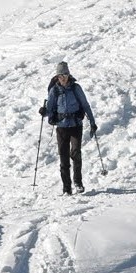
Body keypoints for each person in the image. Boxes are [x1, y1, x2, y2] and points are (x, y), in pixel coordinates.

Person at [40, 62, 94, 193]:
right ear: (57, 77)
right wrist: (44, 112)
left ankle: (78, 182)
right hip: (62, 127)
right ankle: (66, 188)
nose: (62, 78)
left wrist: (92, 122)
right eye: (60, 75)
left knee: (76, 154)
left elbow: (85, 105)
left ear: (68, 74)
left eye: (64, 74)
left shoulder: (76, 88)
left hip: (76, 125)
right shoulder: (54, 91)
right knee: (63, 157)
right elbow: (51, 109)